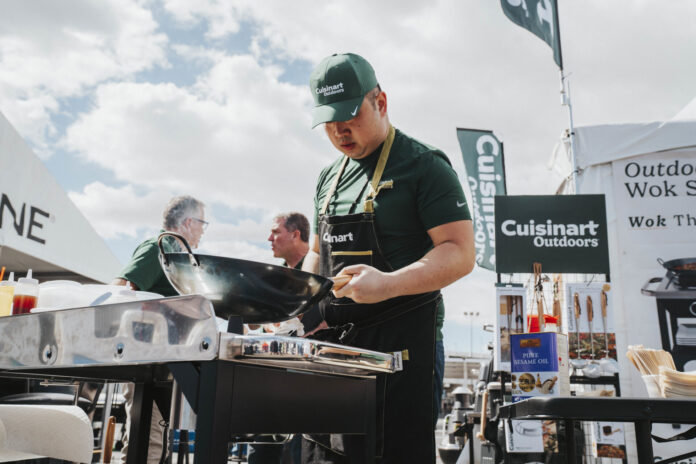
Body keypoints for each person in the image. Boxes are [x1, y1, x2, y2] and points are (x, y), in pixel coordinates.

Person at [300, 53, 475, 464]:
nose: (340, 130)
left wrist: (387, 284)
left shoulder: (424, 166)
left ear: (380, 102)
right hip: (332, 356)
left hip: (401, 357)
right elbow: (314, 253)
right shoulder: (329, 177)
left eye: (350, 116)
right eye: (329, 121)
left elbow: (461, 252)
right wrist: (301, 308)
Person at [112, 195, 206, 464]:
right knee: (148, 447)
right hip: (148, 365)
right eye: (202, 224)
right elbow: (120, 289)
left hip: (167, 366)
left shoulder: (178, 254)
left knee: (158, 446)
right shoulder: (160, 245)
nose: (202, 231)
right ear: (188, 222)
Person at [248, 212, 312, 464]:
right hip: (273, 375)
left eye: (276, 232)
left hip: (310, 378)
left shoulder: (324, 270)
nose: (269, 238)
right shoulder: (273, 277)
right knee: (263, 450)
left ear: (296, 234)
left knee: (303, 450)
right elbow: (259, 323)